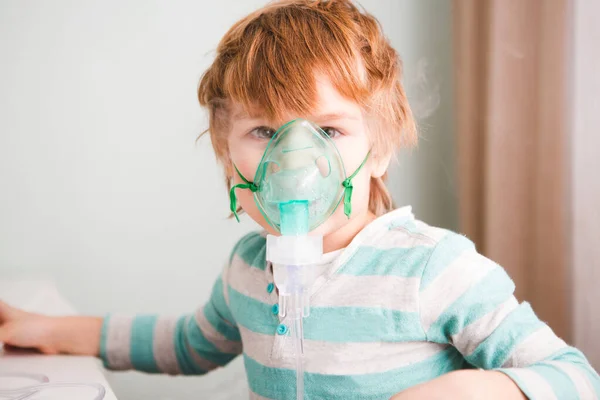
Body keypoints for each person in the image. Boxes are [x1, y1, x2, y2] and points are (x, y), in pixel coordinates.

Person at [1, 1, 598, 399]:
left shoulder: (432, 270)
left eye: (330, 131)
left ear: (381, 148)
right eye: (264, 132)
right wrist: (52, 329)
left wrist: (478, 389)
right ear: (224, 152)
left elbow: (574, 376)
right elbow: (186, 343)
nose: (296, 158)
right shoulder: (246, 269)